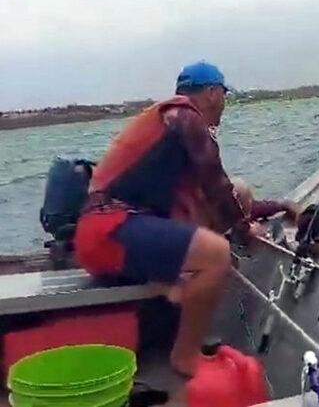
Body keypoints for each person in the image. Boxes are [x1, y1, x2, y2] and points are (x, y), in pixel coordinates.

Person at [74, 61, 255, 376]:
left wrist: (278, 206)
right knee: (216, 255)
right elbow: (218, 187)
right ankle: (185, 358)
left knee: (202, 250)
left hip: (109, 233)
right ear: (212, 93)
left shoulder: (170, 134)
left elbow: (217, 197)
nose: (224, 104)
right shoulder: (185, 117)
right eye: (224, 95)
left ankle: (174, 307)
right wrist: (246, 228)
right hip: (110, 230)